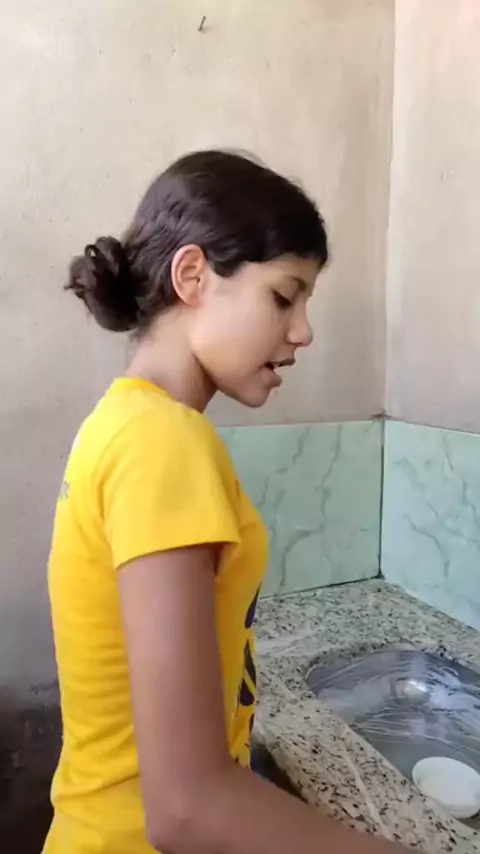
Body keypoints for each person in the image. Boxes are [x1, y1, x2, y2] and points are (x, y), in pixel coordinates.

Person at [45, 150, 412, 854]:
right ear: (192, 276)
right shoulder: (163, 443)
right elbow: (187, 808)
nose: (303, 331)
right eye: (283, 297)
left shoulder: (124, 422)